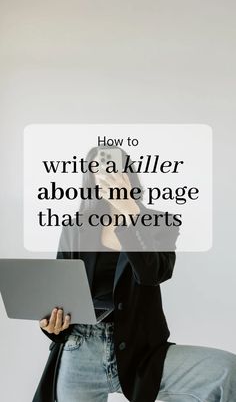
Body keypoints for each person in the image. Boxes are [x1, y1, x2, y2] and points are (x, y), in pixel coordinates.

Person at [35, 147, 236, 402]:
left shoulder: (162, 223)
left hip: (141, 350)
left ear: (128, 173)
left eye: (113, 166)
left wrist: (132, 214)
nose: (106, 173)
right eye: (97, 168)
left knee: (227, 369)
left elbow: (152, 274)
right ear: (90, 178)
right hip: (80, 345)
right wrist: (53, 326)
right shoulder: (75, 226)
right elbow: (61, 293)